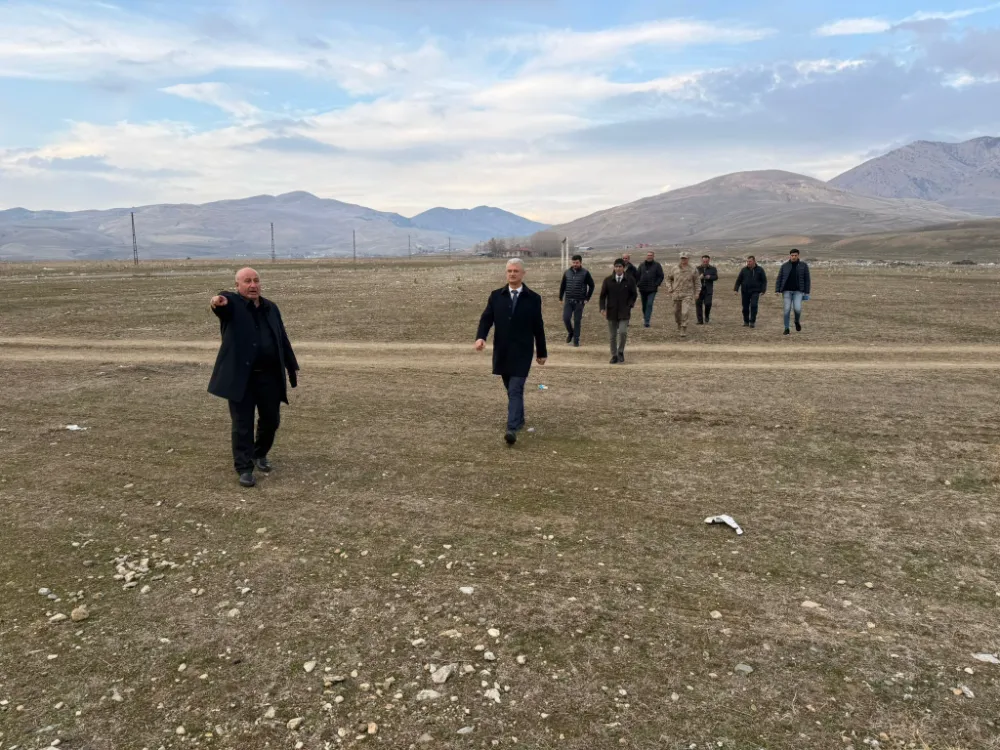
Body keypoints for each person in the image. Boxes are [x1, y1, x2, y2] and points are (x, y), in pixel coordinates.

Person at [208, 267, 299, 488]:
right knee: (242, 424)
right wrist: (218, 301)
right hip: (242, 378)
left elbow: (281, 338)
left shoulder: (271, 307)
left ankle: (259, 453)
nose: (253, 285)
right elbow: (223, 302)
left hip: (269, 377)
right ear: (237, 285)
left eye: (256, 280)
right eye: (247, 281)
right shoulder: (232, 305)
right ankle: (244, 468)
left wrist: (291, 365)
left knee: (271, 421)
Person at [475, 259, 548, 446]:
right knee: (511, 389)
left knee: (515, 388)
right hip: (503, 351)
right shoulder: (496, 296)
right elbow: (486, 319)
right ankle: (519, 418)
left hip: (523, 351)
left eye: (516, 271)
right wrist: (481, 337)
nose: (512, 274)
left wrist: (541, 352)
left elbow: (538, 326)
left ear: (523, 273)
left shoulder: (533, 298)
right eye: (509, 271)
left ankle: (512, 428)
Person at [599, 258, 638, 364]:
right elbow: (602, 296)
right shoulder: (608, 280)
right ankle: (614, 355)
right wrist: (602, 308)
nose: (618, 268)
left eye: (620, 266)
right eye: (616, 266)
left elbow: (634, 294)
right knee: (612, 336)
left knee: (623, 332)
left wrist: (630, 304)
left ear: (623, 268)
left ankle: (620, 351)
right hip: (611, 311)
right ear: (614, 267)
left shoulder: (630, 280)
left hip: (624, 311)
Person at [558, 254, 595, 347]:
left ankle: (576, 340)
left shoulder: (585, 273)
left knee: (577, 320)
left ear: (580, 262)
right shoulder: (567, 273)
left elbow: (592, 285)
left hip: (580, 301)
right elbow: (563, 285)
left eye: (577, 263)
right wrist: (560, 297)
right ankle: (571, 333)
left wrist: (587, 298)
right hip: (568, 300)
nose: (575, 264)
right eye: (573, 262)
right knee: (566, 318)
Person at [775, 248, 811, 335]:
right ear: (790, 256)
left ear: (798, 256)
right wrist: (777, 290)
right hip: (786, 291)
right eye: (792, 255)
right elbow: (779, 278)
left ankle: (796, 321)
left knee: (797, 309)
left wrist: (807, 292)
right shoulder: (784, 266)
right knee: (787, 309)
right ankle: (786, 328)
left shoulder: (803, 266)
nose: (793, 257)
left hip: (798, 291)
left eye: (795, 255)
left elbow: (807, 280)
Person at [666, 252, 701, 337]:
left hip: (687, 294)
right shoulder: (675, 268)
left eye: (685, 258)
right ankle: (679, 323)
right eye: (682, 258)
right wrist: (670, 288)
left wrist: (697, 293)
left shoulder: (693, 269)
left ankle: (683, 328)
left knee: (685, 312)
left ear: (688, 259)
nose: (683, 260)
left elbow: (697, 282)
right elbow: (668, 279)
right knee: (676, 312)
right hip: (676, 294)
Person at [733, 255, 767, 328]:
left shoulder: (760, 270)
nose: (748, 263)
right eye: (747, 261)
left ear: (754, 261)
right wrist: (736, 289)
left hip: (755, 291)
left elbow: (764, 281)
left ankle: (752, 322)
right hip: (745, 291)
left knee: (754, 305)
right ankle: (746, 321)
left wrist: (763, 290)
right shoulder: (744, 270)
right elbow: (739, 280)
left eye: (750, 261)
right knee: (745, 307)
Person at [635, 251, 664, 328]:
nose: (649, 256)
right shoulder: (641, 265)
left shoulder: (657, 265)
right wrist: (638, 284)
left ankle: (647, 321)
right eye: (648, 255)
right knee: (644, 305)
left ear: (653, 256)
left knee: (649, 304)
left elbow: (661, 276)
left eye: (651, 255)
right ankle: (646, 317)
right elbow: (637, 275)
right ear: (646, 256)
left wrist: (656, 284)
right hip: (642, 288)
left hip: (652, 289)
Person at [696, 255, 718, 325]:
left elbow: (716, 277)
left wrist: (710, 277)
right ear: (701, 260)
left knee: (708, 304)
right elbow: (693, 278)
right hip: (699, 289)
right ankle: (700, 321)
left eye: (706, 261)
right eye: (704, 261)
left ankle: (707, 316)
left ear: (709, 261)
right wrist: (699, 277)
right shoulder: (697, 269)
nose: (705, 262)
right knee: (698, 304)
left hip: (708, 289)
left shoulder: (713, 268)